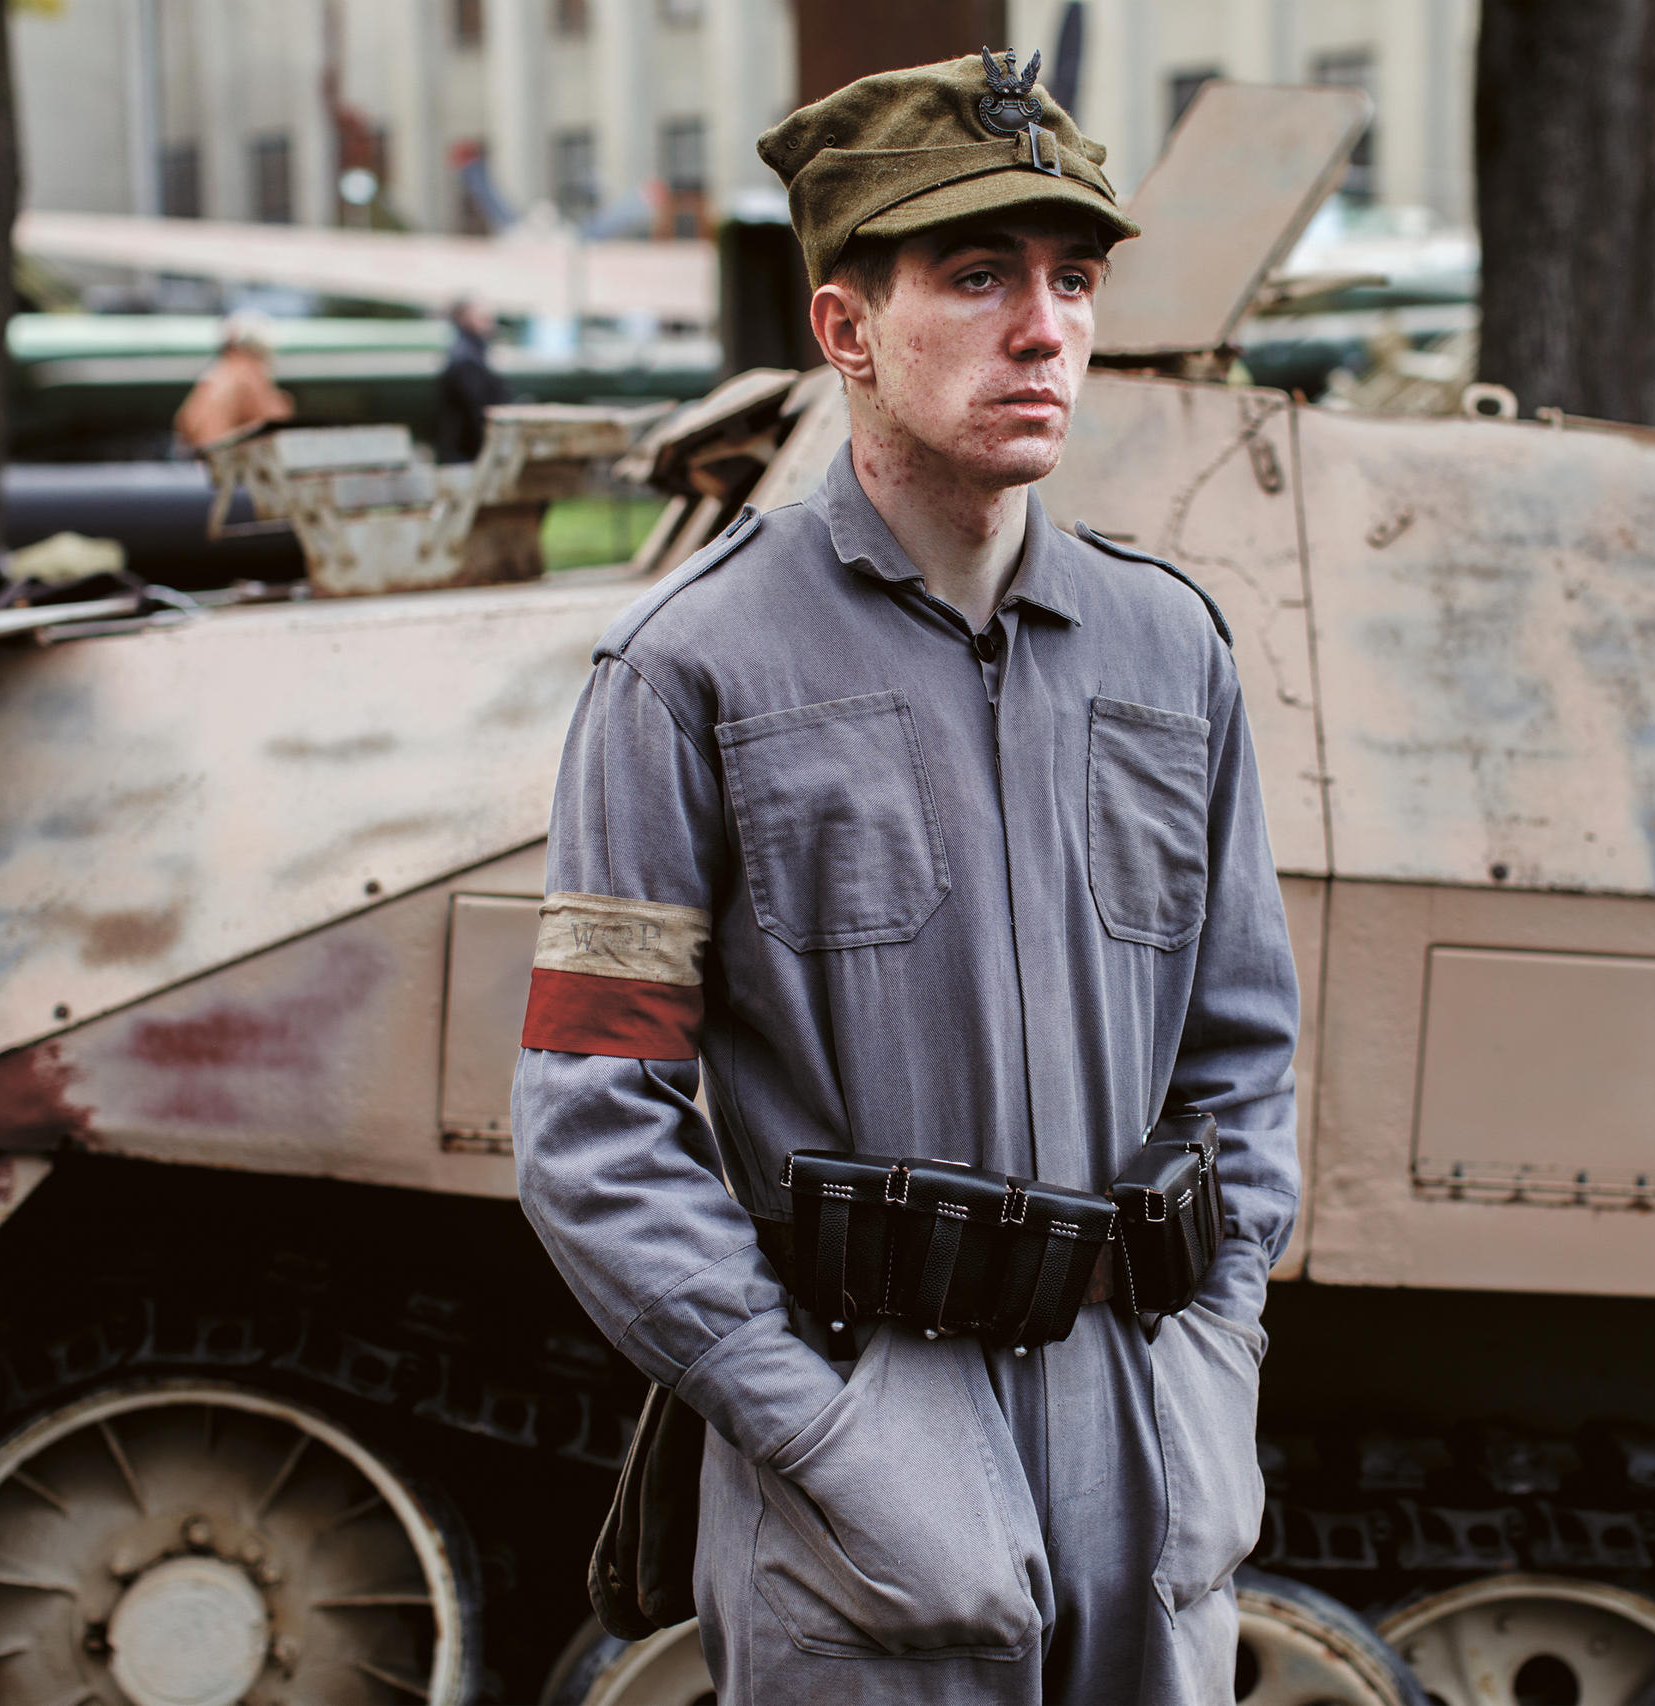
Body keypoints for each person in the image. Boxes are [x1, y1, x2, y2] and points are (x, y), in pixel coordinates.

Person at [510, 49, 1299, 1706]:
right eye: (975, 274)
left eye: (1071, 279)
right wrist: (818, 1427)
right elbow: (592, 1124)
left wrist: (1216, 1366)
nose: (1045, 327)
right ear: (845, 328)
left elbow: (1242, 1061)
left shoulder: (1172, 649)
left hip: (1143, 1417)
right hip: (869, 1420)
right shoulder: (690, 667)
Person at [173, 311, 296, 451]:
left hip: (210, 463)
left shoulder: (211, 379)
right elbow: (276, 420)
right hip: (227, 463)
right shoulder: (245, 372)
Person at [433, 297, 511, 463]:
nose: (490, 322)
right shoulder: (466, 358)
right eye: (482, 317)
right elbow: (476, 409)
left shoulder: (472, 352)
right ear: (464, 319)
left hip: (465, 451)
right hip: (466, 454)